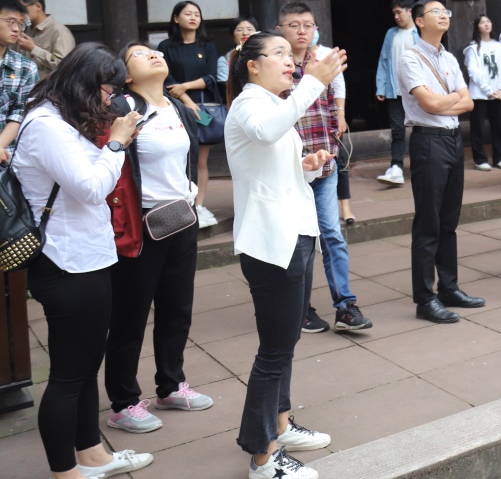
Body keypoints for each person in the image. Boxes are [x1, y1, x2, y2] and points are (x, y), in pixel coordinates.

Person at [12, 43, 153, 479]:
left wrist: (115, 141)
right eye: (109, 89)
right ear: (85, 84)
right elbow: (92, 188)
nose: (111, 99)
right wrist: (117, 143)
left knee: (87, 365)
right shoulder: (46, 127)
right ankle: (65, 472)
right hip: (65, 261)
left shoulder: (61, 121)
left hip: (86, 256)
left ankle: (92, 455)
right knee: (68, 376)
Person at [225, 32, 344, 479]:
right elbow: (266, 131)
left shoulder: (273, 105)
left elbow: (274, 171)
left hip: (295, 234)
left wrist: (306, 168)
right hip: (271, 242)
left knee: (286, 342)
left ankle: (280, 424)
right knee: (274, 351)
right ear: (252, 65)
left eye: (288, 53)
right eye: (278, 53)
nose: (289, 60)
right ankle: (262, 456)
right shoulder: (248, 103)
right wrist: (314, 82)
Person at [102, 44, 211, 436]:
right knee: (130, 315)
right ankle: (123, 403)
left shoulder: (176, 107)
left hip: (180, 218)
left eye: (154, 51)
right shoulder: (121, 107)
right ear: (127, 75)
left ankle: (171, 385)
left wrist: (192, 196)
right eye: (139, 54)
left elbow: (190, 156)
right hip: (141, 225)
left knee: (176, 308)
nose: (152, 55)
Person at [275, 2, 370, 335]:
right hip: (290, 171)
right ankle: (299, 309)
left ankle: (345, 306)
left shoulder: (322, 63)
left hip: (324, 165)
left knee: (332, 235)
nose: (302, 31)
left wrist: (333, 137)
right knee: (298, 242)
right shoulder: (276, 67)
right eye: (294, 25)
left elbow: (331, 103)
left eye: (308, 25)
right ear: (279, 30)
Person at [398, 0, 486, 323]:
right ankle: (425, 299)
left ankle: (449, 288)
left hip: (453, 140)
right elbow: (429, 105)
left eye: (445, 11)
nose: (443, 16)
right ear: (419, 21)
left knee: (449, 221)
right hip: (428, 142)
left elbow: (469, 103)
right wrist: (450, 100)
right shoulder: (410, 58)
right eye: (435, 12)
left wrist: (442, 101)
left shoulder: (448, 57)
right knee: (428, 223)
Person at [158, 1, 220, 228]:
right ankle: (182, 203)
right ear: (176, 18)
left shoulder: (207, 46)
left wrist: (185, 87)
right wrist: (186, 100)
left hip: (202, 108)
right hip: (175, 106)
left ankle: (199, 205)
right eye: (187, 14)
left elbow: (211, 77)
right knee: (179, 155)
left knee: (201, 159)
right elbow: (166, 78)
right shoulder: (166, 46)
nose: (193, 17)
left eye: (197, 14)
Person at [374, 0, 419, 186]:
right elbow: (384, 60)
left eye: (399, 12)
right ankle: (397, 167)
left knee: (420, 129)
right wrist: (381, 86)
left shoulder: (420, 32)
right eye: (394, 13)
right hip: (394, 91)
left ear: (410, 11)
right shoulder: (391, 34)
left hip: (418, 91)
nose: (396, 17)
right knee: (397, 131)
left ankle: (419, 164)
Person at [463, 13, 501, 171]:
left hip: (498, 94)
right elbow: (473, 71)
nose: (486, 24)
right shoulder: (473, 48)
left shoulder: (499, 46)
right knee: (478, 128)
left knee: (499, 126)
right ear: (477, 27)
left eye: (488, 21)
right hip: (479, 95)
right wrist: (488, 90)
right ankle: (480, 159)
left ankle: (499, 157)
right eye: (482, 22)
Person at [0, 0, 38, 165]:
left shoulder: (25, 67)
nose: (16, 29)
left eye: (21, 24)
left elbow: (20, 114)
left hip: (7, 158)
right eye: (10, 21)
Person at [13, 0, 76, 80]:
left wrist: (33, 48)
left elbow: (65, 65)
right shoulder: (24, 30)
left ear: (38, 6)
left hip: (50, 87)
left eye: (22, 9)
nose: (19, 14)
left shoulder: (59, 31)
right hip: (25, 86)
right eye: (16, 10)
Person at [216, 16, 258, 105]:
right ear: (233, 36)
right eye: (239, 30)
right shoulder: (225, 60)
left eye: (249, 29)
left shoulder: (265, 56)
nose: (245, 33)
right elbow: (225, 87)